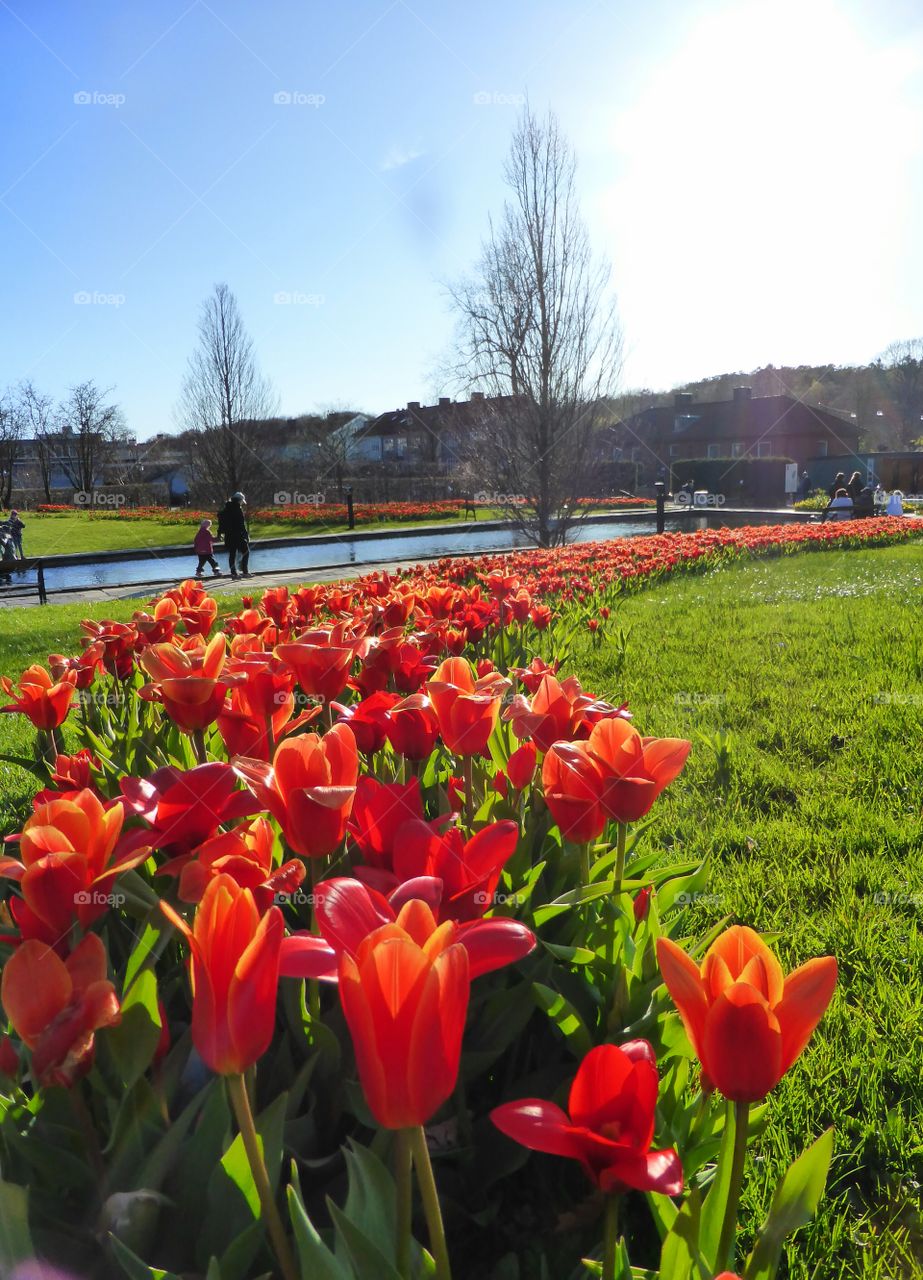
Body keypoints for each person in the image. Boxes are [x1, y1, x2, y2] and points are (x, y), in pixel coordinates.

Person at [217, 491, 251, 579]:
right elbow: (241, 524)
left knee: (232, 554)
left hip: (229, 535)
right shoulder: (238, 509)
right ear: (239, 500)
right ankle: (245, 572)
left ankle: (234, 573)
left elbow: (221, 523)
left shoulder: (225, 509)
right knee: (246, 552)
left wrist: (219, 533)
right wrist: (246, 535)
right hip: (238, 535)